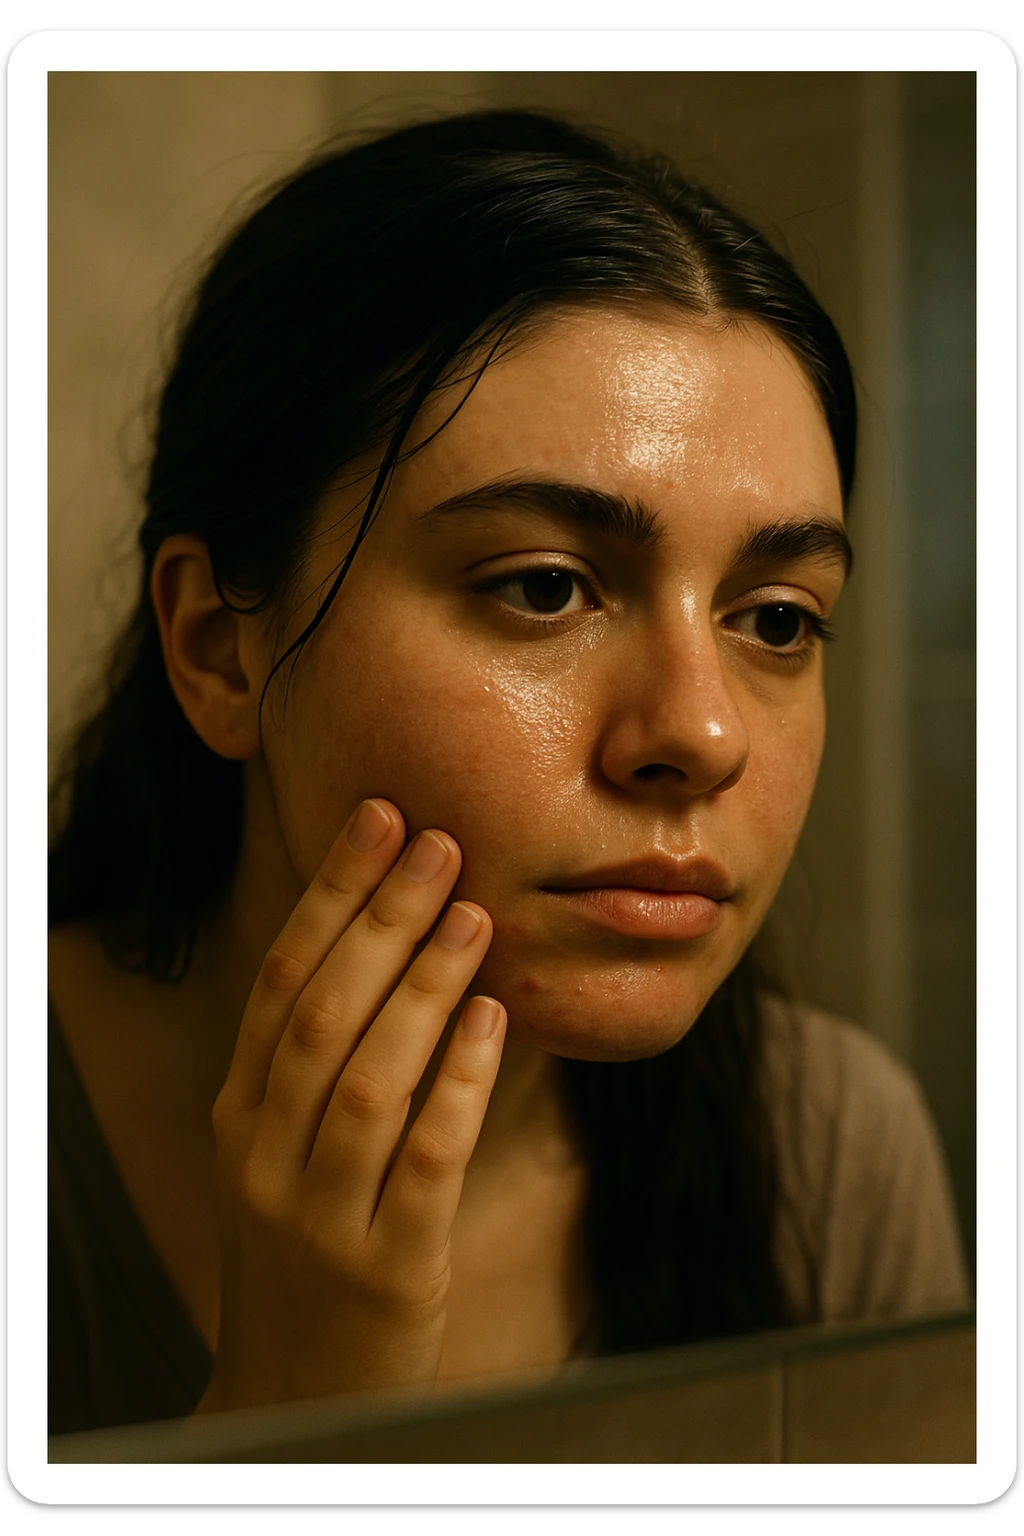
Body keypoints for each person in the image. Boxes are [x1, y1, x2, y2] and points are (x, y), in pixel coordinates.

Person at [47, 109, 970, 1436]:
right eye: (543, 587)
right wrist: (298, 1404)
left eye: (776, 618)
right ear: (217, 651)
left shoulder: (826, 1142)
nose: (703, 734)